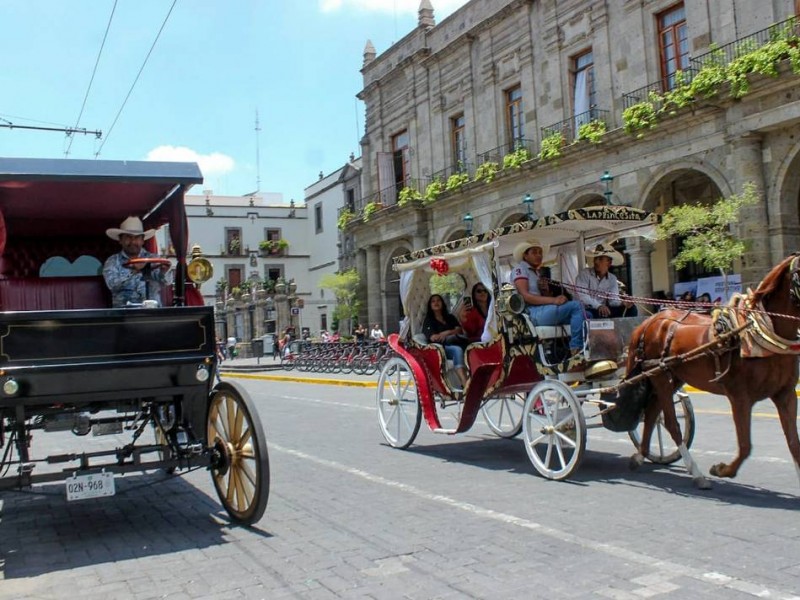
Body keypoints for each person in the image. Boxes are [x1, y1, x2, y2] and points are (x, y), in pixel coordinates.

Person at [511, 239, 588, 370]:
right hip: (532, 313)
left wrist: (546, 291)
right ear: (525, 255)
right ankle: (576, 349)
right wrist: (554, 300)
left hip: (542, 310)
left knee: (588, 313)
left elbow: (543, 298)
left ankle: (587, 347)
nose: (538, 255)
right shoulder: (520, 269)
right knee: (576, 306)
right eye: (534, 252)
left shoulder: (536, 272)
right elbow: (525, 296)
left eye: (540, 252)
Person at [103, 216, 169, 308]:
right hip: (124, 314)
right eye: (128, 237)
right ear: (120, 240)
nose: (133, 241)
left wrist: (163, 272)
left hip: (153, 313)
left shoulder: (153, 258)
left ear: (142, 241)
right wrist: (133, 271)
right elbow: (113, 286)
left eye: (137, 238)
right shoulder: (113, 261)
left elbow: (167, 283)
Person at [575, 244, 637, 318]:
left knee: (632, 309)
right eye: (596, 258)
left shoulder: (612, 278)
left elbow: (613, 300)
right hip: (587, 309)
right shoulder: (584, 274)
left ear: (609, 263)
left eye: (600, 259)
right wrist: (598, 306)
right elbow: (582, 296)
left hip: (602, 311)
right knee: (591, 314)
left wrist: (623, 303)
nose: (596, 262)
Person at [422, 294, 468, 389]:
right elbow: (434, 337)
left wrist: (446, 333)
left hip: (456, 342)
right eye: (433, 301)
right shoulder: (429, 320)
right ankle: (464, 381)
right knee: (457, 350)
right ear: (430, 305)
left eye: (438, 300)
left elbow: (459, 330)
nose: (436, 303)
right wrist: (450, 332)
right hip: (441, 348)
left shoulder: (450, 317)